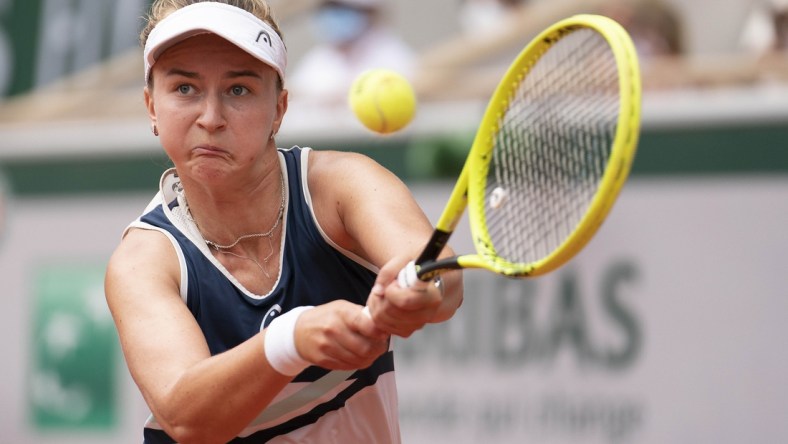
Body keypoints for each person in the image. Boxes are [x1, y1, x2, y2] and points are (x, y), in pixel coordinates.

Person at [103, 1, 462, 443]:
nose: (210, 118)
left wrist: (421, 289)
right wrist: (290, 338)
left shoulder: (342, 186)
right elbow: (187, 418)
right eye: (184, 88)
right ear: (151, 106)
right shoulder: (143, 261)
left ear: (279, 109)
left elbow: (436, 271)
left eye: (239, 90)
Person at [287, 0, 416, 106]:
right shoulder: (318, 59)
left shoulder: (393, 57)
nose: (332, 15)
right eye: (328, 7)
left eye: (341, 8)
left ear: (370, 13)